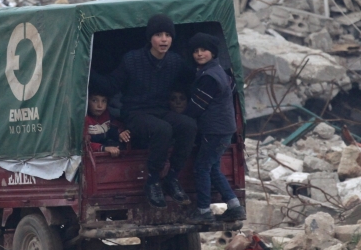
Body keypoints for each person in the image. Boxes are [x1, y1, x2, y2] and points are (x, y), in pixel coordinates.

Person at [92, 14, 196, 208]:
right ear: (150, 38)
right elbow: (111, 85)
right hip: (135, 113)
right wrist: (88, 72)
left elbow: (192, 79)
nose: (164, 39)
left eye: (168, 35)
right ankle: (153, 181)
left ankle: (172, 178)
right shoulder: (132, 60)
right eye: (158, 34)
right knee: (162, 129)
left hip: (161, 110)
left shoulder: (174, 61)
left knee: (188, 125)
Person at [183, 32, 246, 224]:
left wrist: (178, 121)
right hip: (226, 129)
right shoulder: (220, 72)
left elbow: (197, 107)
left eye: (204, 50)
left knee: (201, 167)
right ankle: (234, 206)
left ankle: (203, 211)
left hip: (214, 130)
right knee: (213, 167)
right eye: (196, 51)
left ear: (213, 52)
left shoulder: (209, 77)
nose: (200, 54)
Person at [85, 89, 130, 156]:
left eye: (104, 101)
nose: (100, 105)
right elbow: (82, 145)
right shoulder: (84, 120)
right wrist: (103, 148)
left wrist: (120, 134)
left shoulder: (106, 115)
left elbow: (113, 129)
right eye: (94, 100)